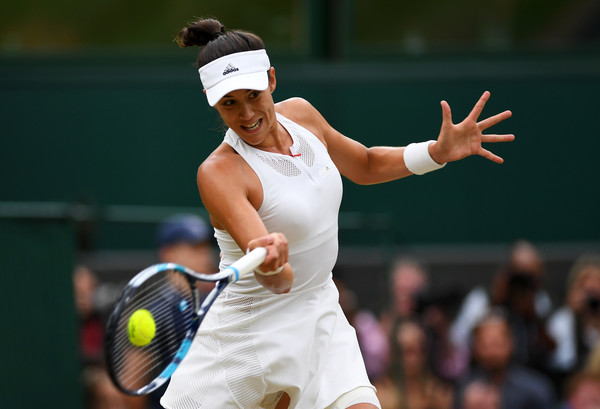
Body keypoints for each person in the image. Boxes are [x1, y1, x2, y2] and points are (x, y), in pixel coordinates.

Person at [160, 17, 514, 409]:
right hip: (246, 335)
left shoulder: (303, 115)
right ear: (214, 104)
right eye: (229, 103)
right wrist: (274, 263)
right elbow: (278, 282)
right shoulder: (218, 173)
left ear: (272, 80)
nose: (246, 114)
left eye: (253, 95)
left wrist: (436, 152)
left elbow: (363, 163)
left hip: (318, 314)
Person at [455, 310, 556, 409]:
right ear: (475, 347)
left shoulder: (535, 388)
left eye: (497, 344)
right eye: (485, 345)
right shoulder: (464, 387)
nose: (492, 351)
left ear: (510, 343)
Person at [547, 254, 600, 388]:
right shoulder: (562, 320)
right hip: (569, 384)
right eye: (586, 292)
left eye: (595, 292)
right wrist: (575, 319)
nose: (591, 299)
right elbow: (561, 361)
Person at [375, 320, 453, 409]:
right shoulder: (380, 395)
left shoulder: (439, 394)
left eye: (420, 350)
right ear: (395, 354)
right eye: (408, 351)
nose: (414, 359)